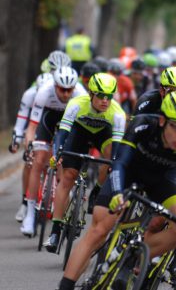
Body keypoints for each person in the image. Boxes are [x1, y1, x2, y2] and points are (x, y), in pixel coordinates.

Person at [57, 91, 176, 290]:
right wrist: (118, 193)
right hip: (128, 173)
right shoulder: (144, 124)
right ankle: (66, 285)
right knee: (99, 230)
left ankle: (133, 258)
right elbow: (120, 163)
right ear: (163, 120)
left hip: (162, 182)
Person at [44, 73, 126, 252]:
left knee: (111, 155)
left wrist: (114, 163)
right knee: (68, 177)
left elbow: (118, 147)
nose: (105, 101)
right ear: (91, 94)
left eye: (109, 97)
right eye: (101, 96)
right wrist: (57, 153)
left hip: (103, 134)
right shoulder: (76, 104)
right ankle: (55, 231)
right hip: (79, 133)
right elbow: (62, 134)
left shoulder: (117, 113)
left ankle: (96, 190)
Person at [20, 67, 86, 236]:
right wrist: (29, 143)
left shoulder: (80, 94)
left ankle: (64, 190)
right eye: (62, 89)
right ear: (55, 85)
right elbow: (32, 126)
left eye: (69, 90)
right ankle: (29, 213)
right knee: (38, 160)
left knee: (64, 160)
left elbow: (82, 130)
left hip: (70, 122)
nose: (65, 94)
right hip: (48, 120)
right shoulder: (44, 92)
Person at [9, 72, 53, 222]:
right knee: (30, 162)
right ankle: (24, 202)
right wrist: (16, 140)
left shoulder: (56, 96)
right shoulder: (30, 94)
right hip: (34, 126)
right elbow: (21, 121)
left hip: (51, 125)